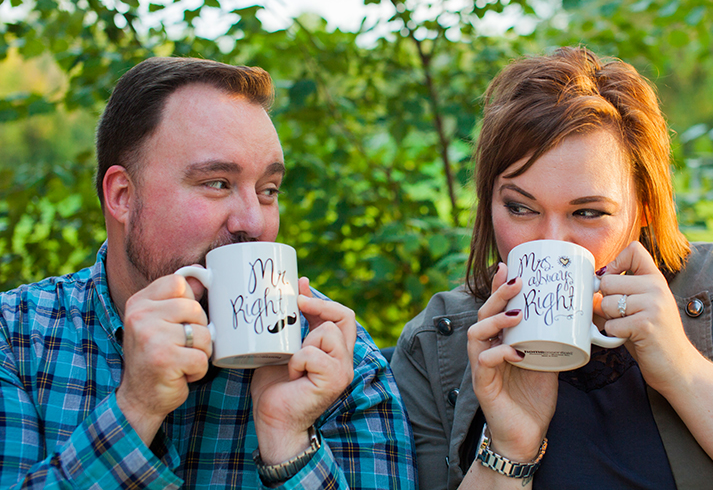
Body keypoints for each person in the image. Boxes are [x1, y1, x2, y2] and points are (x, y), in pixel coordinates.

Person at [391, 46, 713, 490]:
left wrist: (683, 370)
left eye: (588, 212)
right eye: (519, 207)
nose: (551, 241)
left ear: (645, 207)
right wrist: (508, 449)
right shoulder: (436, 346)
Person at [0, 57, 416, 489]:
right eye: (217, 183)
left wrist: (291, 443)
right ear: (123, 195)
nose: (254, 223)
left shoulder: (338, 361)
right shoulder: (17, 338)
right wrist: (136, 410)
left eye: (268, 190)